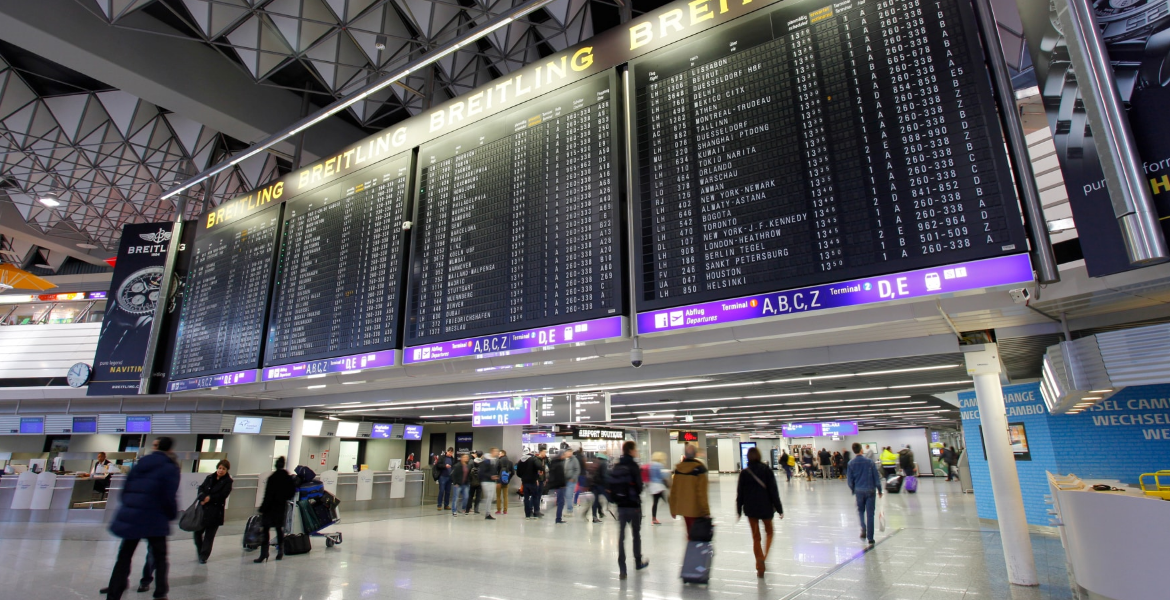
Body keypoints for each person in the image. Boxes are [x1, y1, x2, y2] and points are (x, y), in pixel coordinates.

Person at [103, 436, 179, 600]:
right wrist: (171, 514)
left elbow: (126, 487)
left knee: (124, 555)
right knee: (159, 557)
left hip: (133, 515)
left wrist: (129, 505)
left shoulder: (142, 463)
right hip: (155, 517)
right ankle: (160, 592)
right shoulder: (170, 467)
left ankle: (114, 592)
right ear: (170, 449)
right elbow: (169, 495)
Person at [736, 447, 784, 578]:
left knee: (756, 537)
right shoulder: (766, 470)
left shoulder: (744, 473)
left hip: (751, 509)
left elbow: (740, 493)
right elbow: (774, 491)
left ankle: (759, 561)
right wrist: (779, 509)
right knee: (770, 532)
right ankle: (764, 557)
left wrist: (738, 510)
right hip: (766, 507)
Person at [609, 441, 649, 579]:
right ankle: (638, 562)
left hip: (621, 506)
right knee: (636, 535)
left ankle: (622, 569)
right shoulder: (633, 466)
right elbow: (639, 487)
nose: (637, 451)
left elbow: (611, 486)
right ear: (631, 451)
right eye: (635, 449)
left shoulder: (617, 466)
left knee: (621, 537)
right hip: (633, 506)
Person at [255, 457, 296, 563]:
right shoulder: (287, 478)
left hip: (269, 507)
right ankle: (280, 552)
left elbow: (267, 495)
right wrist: (283, 499)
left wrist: (263, 508)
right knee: (279, 529)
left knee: (266, 529)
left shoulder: (272, 478)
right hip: (281, 507)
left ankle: (264, 554)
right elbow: (292, 492)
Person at [193, 459, 233, 564]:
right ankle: (200, 551)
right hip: (203, 511)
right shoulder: (210, 477)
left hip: (215, 512)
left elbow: (223, 495)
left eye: (223, 469)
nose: (221, 470)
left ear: (227, 470)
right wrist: (202, 497)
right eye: (219, 468)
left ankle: (204, 556)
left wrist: (209, 498)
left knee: (209, 536)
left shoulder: (228, 481)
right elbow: (201, 488)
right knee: (197, 533)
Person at [669, 444, 710, 539]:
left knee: (690, 532)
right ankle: (694, 551)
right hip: (696, 508)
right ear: (696, 454)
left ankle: (690, 548)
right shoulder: (700, 469)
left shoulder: (678, 469)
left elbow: (673, 490)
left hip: (683, 508)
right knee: (697, 535)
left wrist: (673, 508)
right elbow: (702, 493)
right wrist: (706, 511)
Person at [847, 442, 884, 546]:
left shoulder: (851, 463)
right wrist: (879, 490)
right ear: (861, 450)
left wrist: (854, 489)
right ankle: (870, 538)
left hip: (859, 491)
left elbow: (849, 480)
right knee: (870, 514)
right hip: (870, 490)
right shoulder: (870, 462)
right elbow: (876, 477)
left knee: (860, 511)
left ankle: (863, 527)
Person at [552, 448, 579, 523]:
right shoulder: (561, 461)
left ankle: (569, 511)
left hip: (570, 481)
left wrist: (573, 478)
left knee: (568, 495)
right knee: (562, 499)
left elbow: (577, 470)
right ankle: (558, 518)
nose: (568, 454)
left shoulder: (574, 460)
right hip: (562, 482)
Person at [516, 448, 545, 519]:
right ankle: (536, 513)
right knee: (535, 496)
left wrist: (523, 477)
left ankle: (527, 514)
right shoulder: (533, 459)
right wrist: (539, 473)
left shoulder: (520, 460)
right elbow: (539, 466)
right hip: (533, 481)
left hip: (525, 482)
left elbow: (518, 473)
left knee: (526, 498)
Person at [588, 451, 610, 523]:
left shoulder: (595, 461)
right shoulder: (604, 463)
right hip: (600, 484)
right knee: (610, 498)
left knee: (596, 500)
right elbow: (604, 475)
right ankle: (621, 513)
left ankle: (595, 516)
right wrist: (608, 486)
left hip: (593, 484)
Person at [648, 451, 669, 525]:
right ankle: (675, 512)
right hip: (659, 486)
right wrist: (667, 473)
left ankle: (654, 518)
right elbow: (662, 476)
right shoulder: (660, 465)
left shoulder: (651, 465)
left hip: (652, 486)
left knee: (655, 502)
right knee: (666, 500)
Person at [479, 450, 498, 520]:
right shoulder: (486, 461)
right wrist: (490, 476)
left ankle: (488, 513)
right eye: (496, 451)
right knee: (489, 497)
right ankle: (487, 513)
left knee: (491, 498)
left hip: (492, 481)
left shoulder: (493, 461)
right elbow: (481, 472)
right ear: (492, 452)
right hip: (486, 481)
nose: (497, 453)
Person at [495, 449, 513, 515]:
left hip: (499, 482)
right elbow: (513, 472)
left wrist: (498, 480)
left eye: (499, 454)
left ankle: (498, 510)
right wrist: (508, 479)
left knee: (498, 496)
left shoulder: (499, 461)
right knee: (505, 496)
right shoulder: (510, 462)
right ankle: (505, 510)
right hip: (506, 481)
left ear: (503, 454)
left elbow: (495, 471)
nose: (498, 455)